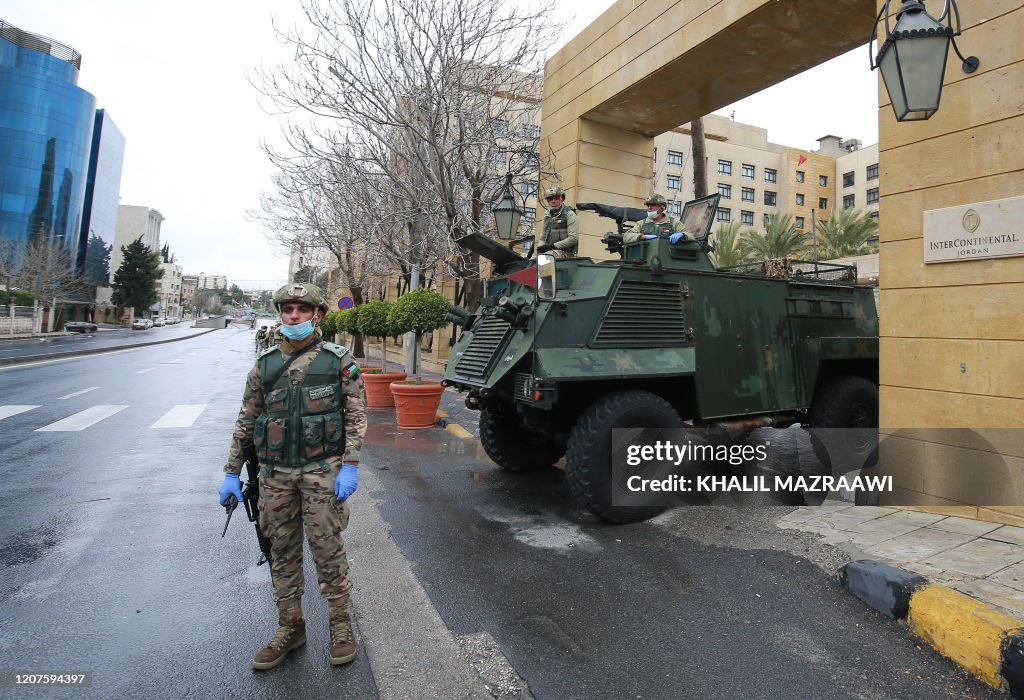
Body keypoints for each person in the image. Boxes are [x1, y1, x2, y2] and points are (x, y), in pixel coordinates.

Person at [218, 282, 367, 671]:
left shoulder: (338, 360)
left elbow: (355, 416)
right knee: (281, 552)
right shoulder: (265, 364)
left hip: (322, 473)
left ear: (317, 314)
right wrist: (231, 472)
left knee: (327, 551)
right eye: (288, 310)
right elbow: (246, 420)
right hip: (275, 477)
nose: (295, 316)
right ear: (281, 314)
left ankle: (340, 626)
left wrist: (349, 465)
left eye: (303, 309)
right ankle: (291, 626)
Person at [623, 194, 690, 244]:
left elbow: (690, 235)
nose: (649, 208)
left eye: (652, 205)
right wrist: (642, 237)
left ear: (661, 208)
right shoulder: (641, 223)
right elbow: (626, 237)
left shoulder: (674, 223)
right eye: (648, 205)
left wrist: (682, 235)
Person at [536, 185, 579, 259]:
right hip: (550, 252)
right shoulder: (547, 216)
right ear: (548, 201)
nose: (553, 201)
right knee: (531, 262)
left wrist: (553, 246)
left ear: (562, 199)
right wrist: (540, 250)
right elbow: (542, 238)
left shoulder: (570, 214)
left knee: (546, 257)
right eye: (550, 199)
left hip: (566, 254)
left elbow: (573, 239)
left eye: (556, 198)